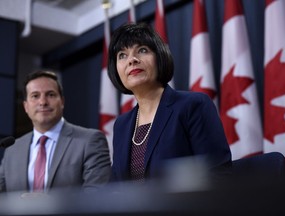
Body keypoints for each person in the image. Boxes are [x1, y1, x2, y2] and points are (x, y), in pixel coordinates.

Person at [107, 22, 231, 184]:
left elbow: (217, 175)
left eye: (142, 50)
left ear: (159, 57)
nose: (132, 60)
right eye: (122, 55)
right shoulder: (122, 125)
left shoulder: (193, 106)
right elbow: (116, 187)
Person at [0, 70, 111, 193]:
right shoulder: (12, 150)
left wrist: (49, 203)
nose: (43, 102)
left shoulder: (90, 141)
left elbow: (97, 196)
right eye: (35, 96)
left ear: (62, 101)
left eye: (51, 95)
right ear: (26, 106)